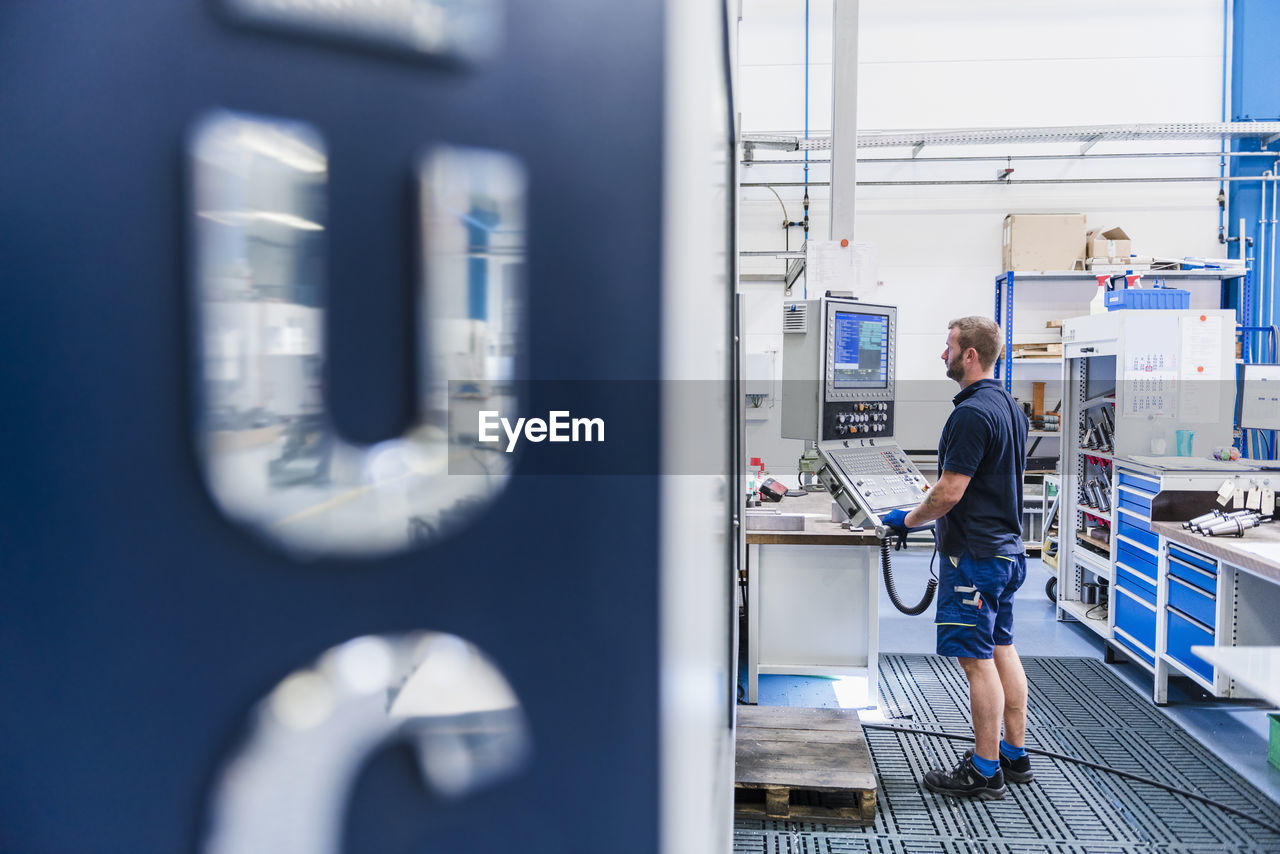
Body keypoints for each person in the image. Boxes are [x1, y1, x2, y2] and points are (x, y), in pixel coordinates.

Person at [882, 315, 1031, 801]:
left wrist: (906, 519)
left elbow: (948, 492)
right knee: (1002, 649)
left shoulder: (969, 414)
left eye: (948, 347)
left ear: (970, 355)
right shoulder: (1008, 404)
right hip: (1006, 553)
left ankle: (984, 770)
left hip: (974, 559)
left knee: (976, 661)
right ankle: (1014, 754)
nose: (941, 354)